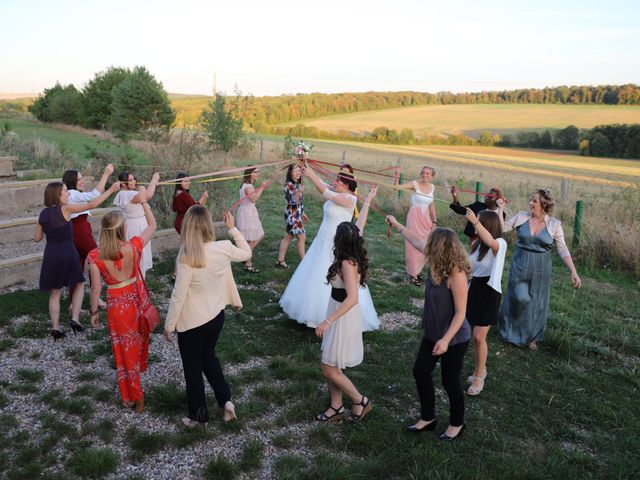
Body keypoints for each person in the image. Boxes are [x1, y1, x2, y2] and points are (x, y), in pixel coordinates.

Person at [164, 206, 251, 426]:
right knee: (209, 358)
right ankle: (226, 401)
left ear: (188, 228)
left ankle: (198, 416)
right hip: (216, 317)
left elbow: (178, 296)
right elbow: (247, 253)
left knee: (193, 369)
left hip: (192, 324)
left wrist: (169, 325)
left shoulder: (187, 257)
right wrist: (233, 229)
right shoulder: (223, 248)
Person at [387, 218, 471, 442]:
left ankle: (457, 423)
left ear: (440, 248)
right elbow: (415, 241)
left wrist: (445, 340)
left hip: (453, 338)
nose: (426, 248)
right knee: (420, 371)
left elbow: (461, 313)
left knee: (449, 381)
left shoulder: (456, 275)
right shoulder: (436, 264)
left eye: (430, 245)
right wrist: (396, 224)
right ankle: (428, 417)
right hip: (433, 333)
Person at [280, 164, 379, 331]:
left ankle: (327, 315)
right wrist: (306, 164)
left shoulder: (349, 199)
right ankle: (308, 310)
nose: (334, 182)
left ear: (347, 186)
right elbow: (323, 184)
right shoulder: (337, 191)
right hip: (322, 239)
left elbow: (324, 192)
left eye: (338, 181)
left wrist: (310, 174)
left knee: (331, 273)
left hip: (336, 242)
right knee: (313, 271)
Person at [87, 187, 157, 412]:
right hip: (135, 301)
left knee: (122, 351)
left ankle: (130, 395)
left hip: (116, 306)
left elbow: (96, 289)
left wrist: (94, 313)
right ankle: (135, 392)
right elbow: (153, 226)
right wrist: (144, 202)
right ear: (123, 229)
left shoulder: (95, 256)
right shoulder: (133, 246)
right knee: (135, 346)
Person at [315, 187, 377, 423]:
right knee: (333, 364)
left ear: (339, 240)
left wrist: (329, 319)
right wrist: (368, 199)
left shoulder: (347, 263)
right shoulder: (352, 249)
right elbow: (358, 225)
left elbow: (352, 298)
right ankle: (336, 406)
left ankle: (360, 400)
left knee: (328, 367)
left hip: (342, 316)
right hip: (336, 309)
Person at [34, 181, 120, 340]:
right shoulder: (65, 209)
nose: (68, 194)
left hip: (51, 253)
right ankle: (75, 319)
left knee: (55, 292)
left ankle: (55, 327)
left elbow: (37, 238)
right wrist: (111, 190)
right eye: (65, 192)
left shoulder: (43, 214)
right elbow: (92, 204)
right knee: (79, 283)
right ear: (57, 195)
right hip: (67, 251)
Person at [499, 189, 581, 350]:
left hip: (541, 268)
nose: (531, 203)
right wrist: (500, 209)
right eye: (531, 200)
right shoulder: (522, 217)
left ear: (544, 204)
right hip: (520, 263)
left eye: (534, 201)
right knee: (517, 297)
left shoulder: (554, 224)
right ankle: (510, 330)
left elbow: (562, 249)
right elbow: (501, 228)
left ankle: (532, 337)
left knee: (536, 301)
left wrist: (573, 271)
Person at [463, 207, 507, 395]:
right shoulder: (475, 245)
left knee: (479, 337)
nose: (474, 225)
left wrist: (475, 221)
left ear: (486, 224)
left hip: (490, 291)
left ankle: (480, 375)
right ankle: (478, 369)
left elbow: (490, 240)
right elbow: (468, 269)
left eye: (479, 221)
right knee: (471, 336)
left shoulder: (499, 243)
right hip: (474, 289)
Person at [63, 163, 115, 311]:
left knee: (78, 265)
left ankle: (74, 303)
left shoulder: (72, 195)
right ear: (72, 181)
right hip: (80, 230)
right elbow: (94, 197)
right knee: (96, 261)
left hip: (76, 229)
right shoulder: (73, 194)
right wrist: (106, 174)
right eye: (79, 179)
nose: (82, 181)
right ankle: (96, 298)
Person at [113, 171, 160, 278]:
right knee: (138, 257)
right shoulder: (129, 194)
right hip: (136, 228)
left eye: (134, 179)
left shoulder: (123, 193)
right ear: (123, 184)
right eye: (130, 180)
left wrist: (153, 185)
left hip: (133, 225)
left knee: (137, 257)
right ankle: (138, 284)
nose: (134, 181)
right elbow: (147, 196)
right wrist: (154, 178)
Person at [397, 166, 438, 286]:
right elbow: (396, 188)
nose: (425, 175)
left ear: (431, 176)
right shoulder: (414, 184)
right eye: (423, 173)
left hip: (426, 219)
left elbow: (431, 205)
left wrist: (434, 221)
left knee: (424, 245)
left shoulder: (432, 187)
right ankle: (413, 274)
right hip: (414, 217)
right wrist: (397, 176)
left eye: (428, 173)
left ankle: (418, 270)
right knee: (412, 244)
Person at [276, 164, 308, 268]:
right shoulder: (288, 185)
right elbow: (293, 201)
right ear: (290, 173)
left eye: (299, 171)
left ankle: (280, 261)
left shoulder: (296, 184)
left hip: (296, 213)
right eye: (296, 171)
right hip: (292, 215)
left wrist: (302, 213)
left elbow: (299, 202)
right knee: (302, 237)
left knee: (288, 237)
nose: (298, 173)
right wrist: (300, 191)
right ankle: (305, 262)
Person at [236, 167, 265, 272]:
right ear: (249, 174)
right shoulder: (248, 186)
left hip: (247, 212)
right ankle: (248, 263)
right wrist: (262, 187)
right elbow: (254, 199)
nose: (258, 173)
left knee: (254, 237)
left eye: (258, 171)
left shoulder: (246, 185)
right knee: (254, 239)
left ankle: (245, 256)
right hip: (248, 214)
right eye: (255, 172)